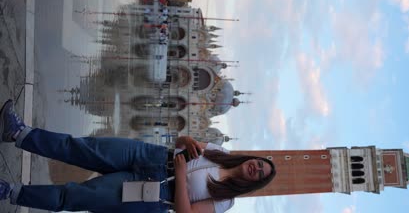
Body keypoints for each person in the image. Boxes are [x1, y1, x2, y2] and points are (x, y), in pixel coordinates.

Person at [0, 99, 276, 212]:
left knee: (75, 196)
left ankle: (10, 192)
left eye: (260, 173)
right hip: (151, 155)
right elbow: (181, 142)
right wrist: (187, 140)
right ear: (251, 158)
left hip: (152, 192)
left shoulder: (226, 200)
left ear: (255, 183)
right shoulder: (222, 153)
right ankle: (18, 133)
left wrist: (180, 175)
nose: (256, 168)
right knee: (80, 147)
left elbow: (185, 212)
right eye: (259, 163)